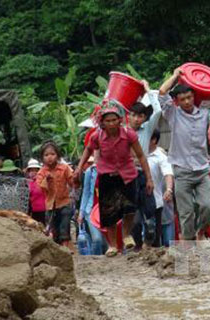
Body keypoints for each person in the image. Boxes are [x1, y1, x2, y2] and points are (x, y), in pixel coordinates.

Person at [74, 103, 154, 257]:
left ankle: (126, 235)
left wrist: (149, 178)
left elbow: (141, 156)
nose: (111, 123)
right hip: (107, 176)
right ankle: (112, 245)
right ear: (102, 123)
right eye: (108, 121)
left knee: (129, 208)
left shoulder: (129, 134)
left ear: (120, 120)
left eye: (114, 120)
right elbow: (88, 150)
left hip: (128, 175)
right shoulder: (97, 136)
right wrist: (79, 167)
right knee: (109, 212)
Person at [158, 67, 210, 241]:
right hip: (182, 171)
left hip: (202, 169)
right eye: (182, 99)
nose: (187, 102)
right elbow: (162, 92)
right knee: (186, 212)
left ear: (194, 97)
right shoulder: (172, 114)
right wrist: (176, 76)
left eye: (189, 97)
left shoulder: (205, 113)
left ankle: (201, 232)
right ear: (176, 101)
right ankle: (189, 243)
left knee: (207, 206)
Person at [128, 80, 161, 249]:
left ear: (143, 118)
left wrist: (148, 90)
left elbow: (158, 110)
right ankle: (137, 246)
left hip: (143, 173)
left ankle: (149, 245)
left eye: (139, 116)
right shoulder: (122, 131)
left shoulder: (147, 129)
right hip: (127, 176)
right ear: (128, 116)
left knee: (149, 213)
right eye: (133, 115)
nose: (136, 118)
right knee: (131, 215)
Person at [36, 141, 74, 249]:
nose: (50, 157)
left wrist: (76, 178)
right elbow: (40, 188)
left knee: (65, 225)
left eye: (52, 154)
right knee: (53, 229)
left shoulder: (64, 168)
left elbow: (72, 182)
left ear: (57, 155)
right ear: (42, 157)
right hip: (50, 206)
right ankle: (57, 248)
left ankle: (65, 247)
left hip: (64, 202)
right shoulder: (41, 172)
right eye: (46, 155)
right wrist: (46, 180)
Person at [147, 129, 174, 247]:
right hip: (140, 201)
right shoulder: (136, 153)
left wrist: (169, 190)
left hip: (158, 201)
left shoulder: (161, 157)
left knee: (158, 234)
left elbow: (168, 174)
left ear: (153, 140)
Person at [78, 156, 107, 255]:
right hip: (91, 210)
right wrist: (81, 213)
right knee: (97, 239)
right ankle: (96, 261)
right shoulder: (90, 172)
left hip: (108, 210)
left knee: (105, 242)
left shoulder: (112, 170)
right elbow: (85, 193)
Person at [24, 158, 46, 225]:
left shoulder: (43, 181)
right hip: (34, 212)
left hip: (44, 211)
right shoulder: (28, 183)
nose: (34, 173)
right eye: (31, 170)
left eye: (36, 170)